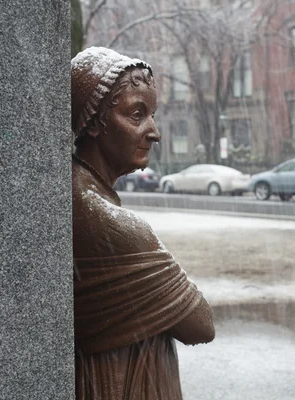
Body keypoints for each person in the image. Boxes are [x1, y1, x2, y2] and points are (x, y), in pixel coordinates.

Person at [71, 47, 215, 400]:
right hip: (119, 384)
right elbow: (200, 325)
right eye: (137, 114)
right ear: (93, 122)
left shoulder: (78, 192)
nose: (154, 132)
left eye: (152, 114)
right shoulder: (103, 218)